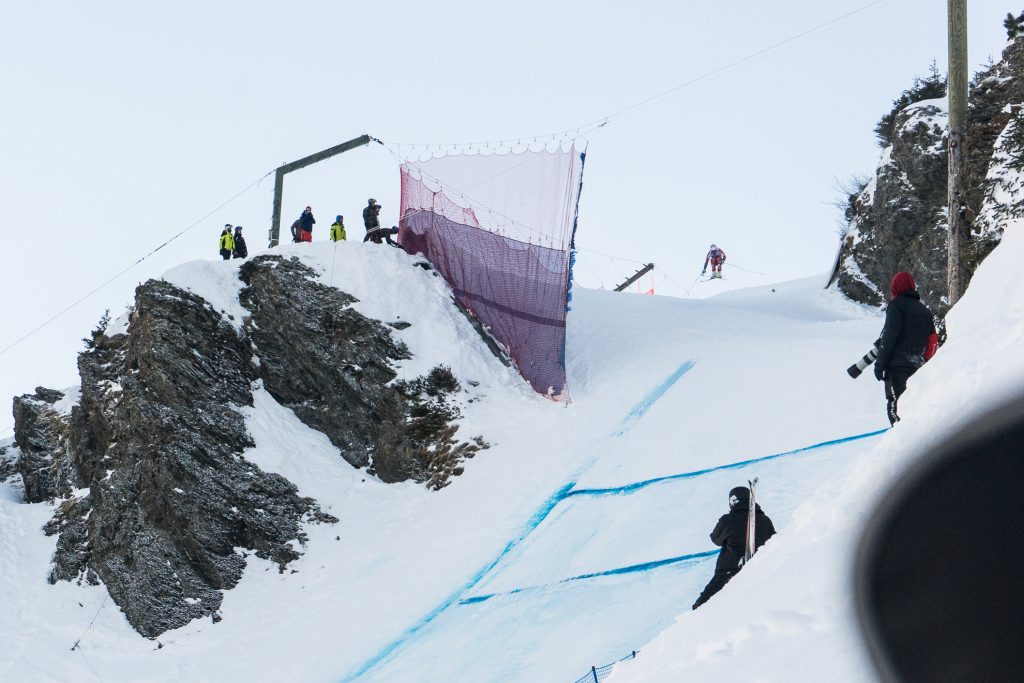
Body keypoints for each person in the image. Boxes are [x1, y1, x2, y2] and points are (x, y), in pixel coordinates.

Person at [693, 485, 776, 609]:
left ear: (733, 501)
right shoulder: (765, 520)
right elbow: (774, 542)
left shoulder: (728, 520)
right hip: (759, 568)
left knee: (702, 606)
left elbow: (716, 539)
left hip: (728, 571)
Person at [874, 272, 938, 426]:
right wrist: (926, 362)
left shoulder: (896, 305)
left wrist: (879, 365)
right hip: (917, 367)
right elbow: (933, 340)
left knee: (896, 408)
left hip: (897, 368)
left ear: (895, 288)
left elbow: (890, 336)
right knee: (914, 408)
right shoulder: (925, 311)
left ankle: (900, 442)